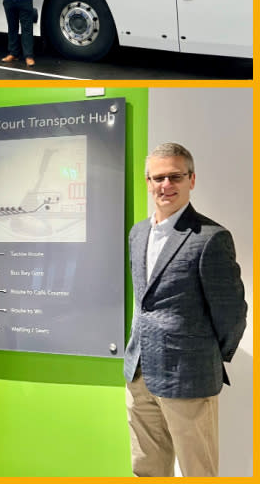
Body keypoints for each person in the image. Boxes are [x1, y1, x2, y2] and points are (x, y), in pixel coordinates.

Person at [123, 142, 247, 477]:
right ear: (148, 182)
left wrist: (204, 356)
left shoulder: (211, 238)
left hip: (188, 376)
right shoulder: (137, 233)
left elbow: (232, 312)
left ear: (192, 179)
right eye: (158, 178)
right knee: (146, 468)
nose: (166, 185)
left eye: (175, 176)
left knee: (197, 470)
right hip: (139, 373)